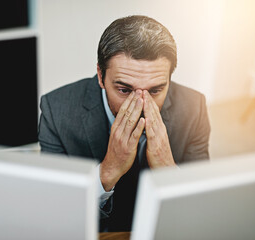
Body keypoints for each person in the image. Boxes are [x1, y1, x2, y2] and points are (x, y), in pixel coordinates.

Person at [38, 15, 210, 232]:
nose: (140, 103)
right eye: (124, 90)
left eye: (155, 90)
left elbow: (201, 208)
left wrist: (168, 168)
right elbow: (55, 210)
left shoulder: (195, 108)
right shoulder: (57, 110)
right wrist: (107, 172)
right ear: (101, 76)